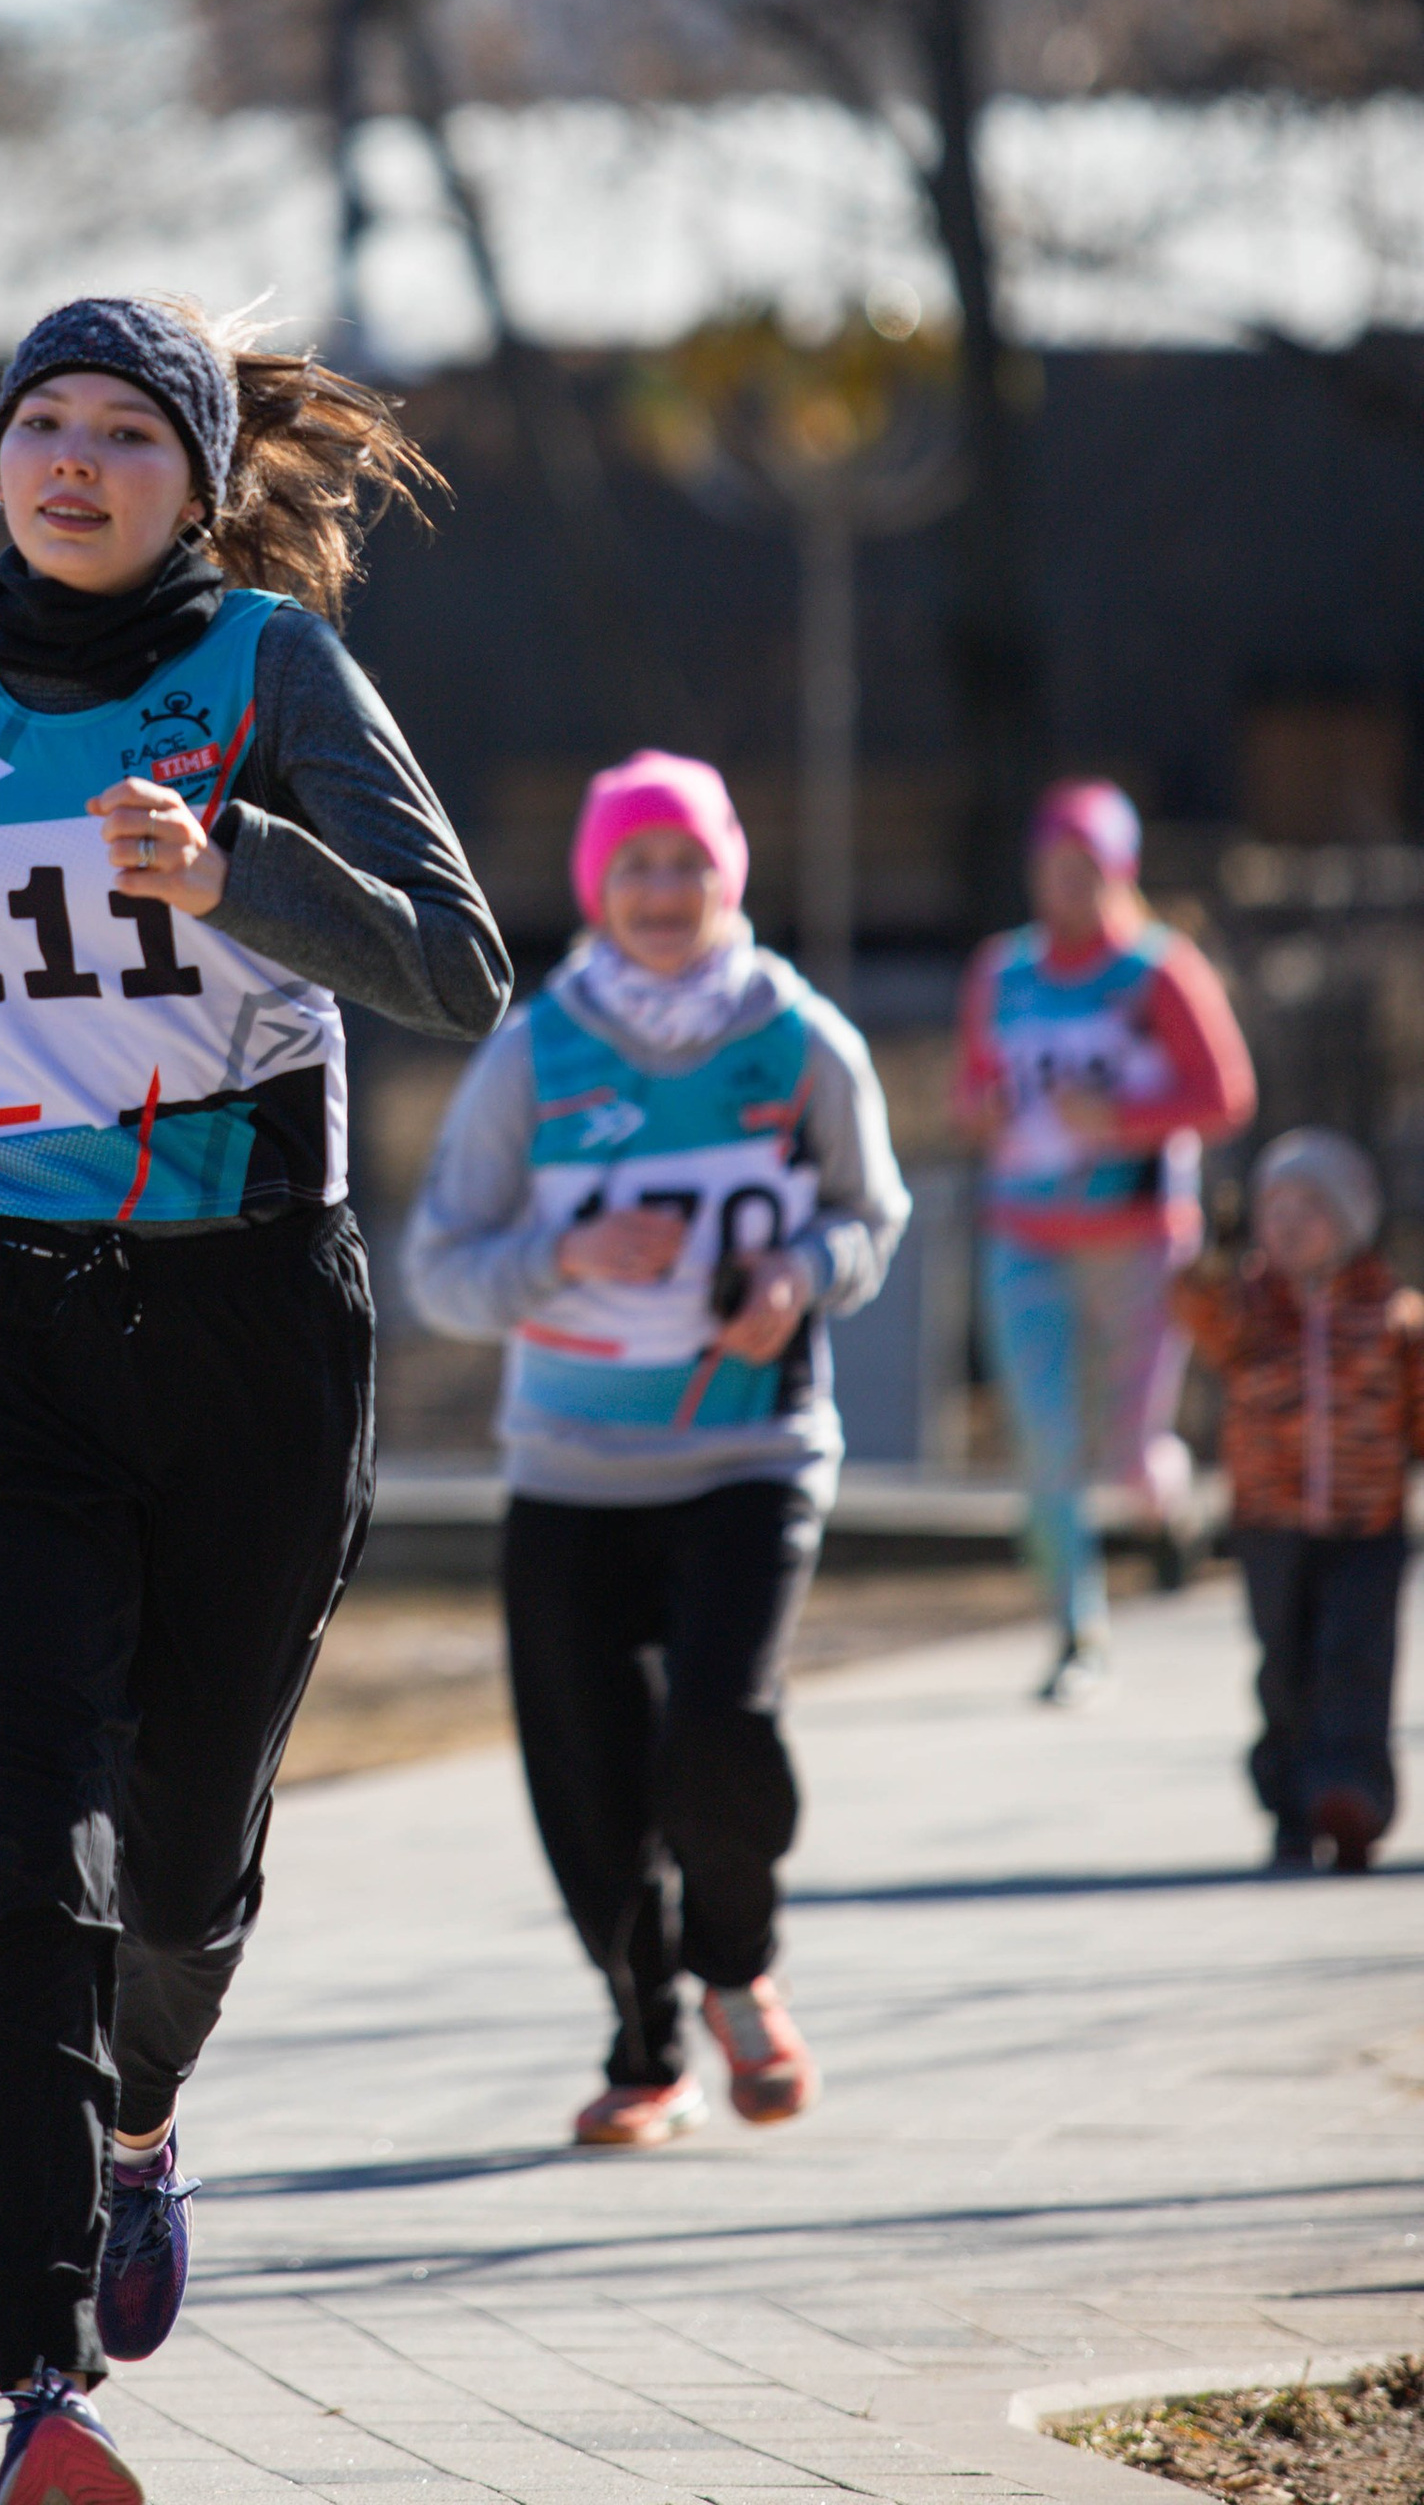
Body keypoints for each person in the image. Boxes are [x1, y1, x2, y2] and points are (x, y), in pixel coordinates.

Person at [0, 294, 508, 2505]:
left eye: (126, 432)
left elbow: (457, 968)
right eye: (40, 425)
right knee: (22, 1857)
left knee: (179, 1865)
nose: (74, 462)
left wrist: (236, 876)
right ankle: (36, 2391)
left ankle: (138, 2117)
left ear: (197, 482)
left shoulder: (267, 675)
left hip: (239, 1338)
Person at [403, 749, 906, 2153]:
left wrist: (801, 1276)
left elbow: (875, 1213)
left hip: (752, 1452)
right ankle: (646, 2052)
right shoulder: (536, 1051)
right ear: (595, 888)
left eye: (688, 861)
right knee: (589, 1783)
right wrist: (565, 1254)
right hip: (570, 1465)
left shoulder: (798, 1038)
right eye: (636, 865)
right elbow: (439, 1268)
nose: (666, 890)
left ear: (729, 873)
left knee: (720, 1736)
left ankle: (739, 1965)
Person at [954, 780, 1258, 1705]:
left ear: (1119, 872)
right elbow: (969, 1095)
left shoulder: (1159, 973)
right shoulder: (1001, 972)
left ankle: (1168, 1508)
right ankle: (1076, 1634)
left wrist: (1122, 1118)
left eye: (1086, 869)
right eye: (1052, 867)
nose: (1067, 887)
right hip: (1026, 1237)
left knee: (1126, 1455)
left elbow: (1225, 1095)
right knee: (1046, 1447)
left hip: (1137, 1240)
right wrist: (989, 1108)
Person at [1170, 1129, 1424, 1873]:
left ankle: (1351, 1798)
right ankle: (1288, 1803)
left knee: (1355, 1660)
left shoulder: (1394, 1318)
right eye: (1273, 1208)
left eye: (1308, 1207)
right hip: (1268, 1523)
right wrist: (1214, 1249)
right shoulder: (1248, 1311)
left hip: (1367, 1525)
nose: (1286, 1223)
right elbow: (1192, 1304)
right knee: (1284, 1667)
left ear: (1349, 1219)